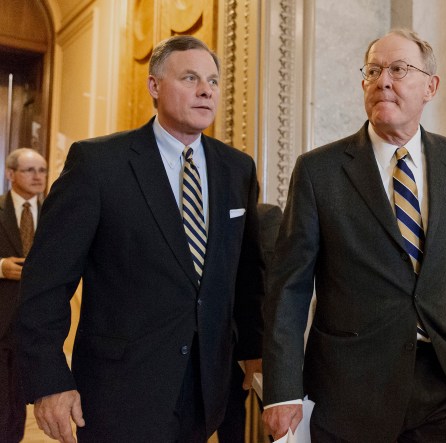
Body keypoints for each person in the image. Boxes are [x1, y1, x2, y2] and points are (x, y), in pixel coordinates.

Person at [16, 35, 265, 443]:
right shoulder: (97, 164)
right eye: (190, 77)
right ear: (154, 86)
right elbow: (46, 283)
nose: (206, 90)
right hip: (121, 391)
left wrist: (254, 354)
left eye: (213, 81)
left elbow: (247, 273)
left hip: (207, 389)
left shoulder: (235, 168)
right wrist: (48, 381)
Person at [262, 29, 446, 442]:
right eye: (374, 70)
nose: (384, 80)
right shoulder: (318, 171)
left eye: (399, 69)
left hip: (442, 380)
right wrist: (282, 391)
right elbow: (288, 288)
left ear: (430, 87)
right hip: (350, 389)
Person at [217, 203, 282, 443]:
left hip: (262, 342)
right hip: (230, 343)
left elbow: (271, 287)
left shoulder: (267, 218)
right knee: (231, 415)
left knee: (276, 418)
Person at [0, 148, 47, 443]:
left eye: (42, 170)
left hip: (38, 322)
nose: (38, 176)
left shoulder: (57, 211)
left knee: (21, 399)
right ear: (10, 174)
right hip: (2, 317)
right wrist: (1, 266)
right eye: (30, 170)